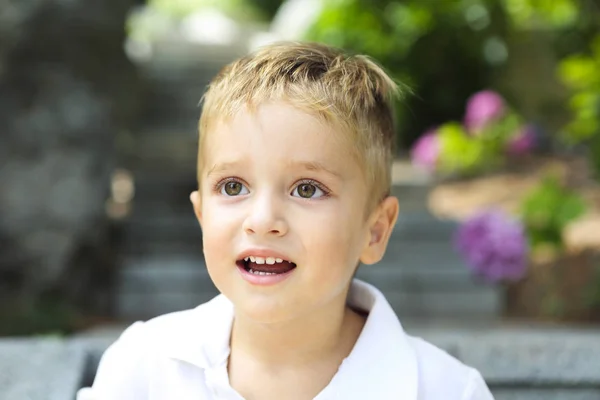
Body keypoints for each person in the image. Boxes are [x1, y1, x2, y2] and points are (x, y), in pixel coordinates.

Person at [79, 42, 494, 400]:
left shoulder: (445, 390)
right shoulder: (143, 369)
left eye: (307, 189)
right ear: (201, 215)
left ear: (375, 230)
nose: (263, 221)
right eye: (233, 186)